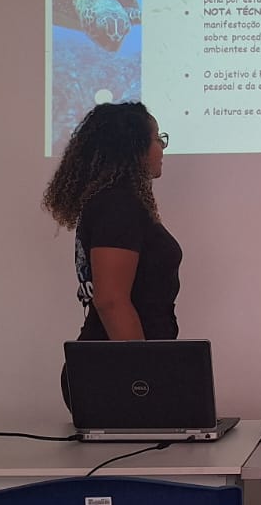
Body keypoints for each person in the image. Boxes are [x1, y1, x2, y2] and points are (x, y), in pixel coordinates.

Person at [42, 102, 178, 405]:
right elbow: (111, 300)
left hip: (115, 367)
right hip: (115, 374)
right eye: (157, 139)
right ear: (134, 147)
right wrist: (143, 378)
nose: (162, 148)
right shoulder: (118, 206)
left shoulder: (116, 203)